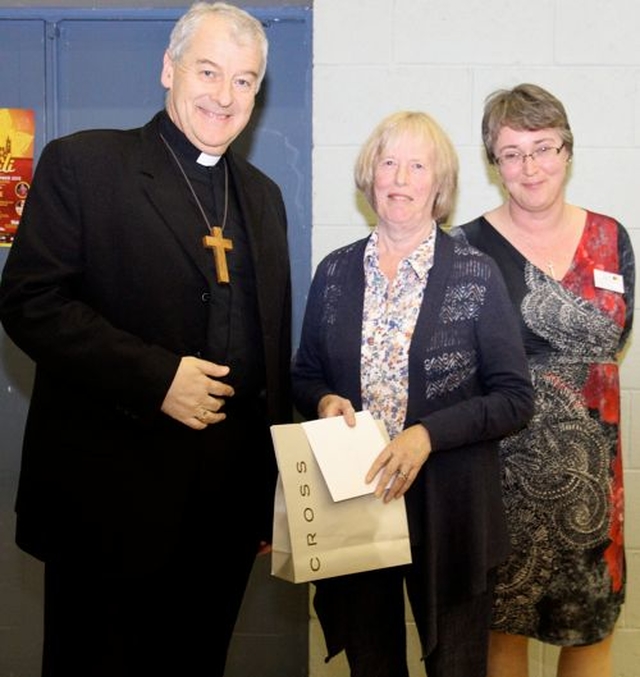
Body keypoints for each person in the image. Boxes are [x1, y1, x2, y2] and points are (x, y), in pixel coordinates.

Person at [0, 3, 293, 676]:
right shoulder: (85, 165)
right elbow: (28, 302)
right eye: (209, 71)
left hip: (223, 510)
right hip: (108, 501)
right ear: (169, 68)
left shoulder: (263, 196)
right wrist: (156, 377)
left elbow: (270, 347)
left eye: (245, 80)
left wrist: (276, 487)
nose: (225, 95)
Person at [291, 110, 535, 677]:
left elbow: (514, 397)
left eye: (417, 165)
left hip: (451, 506)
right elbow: (304, 373)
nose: (400, 178)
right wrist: (325, 401)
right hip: (356, 503)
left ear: (439, 185)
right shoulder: (334, 272)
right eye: (389, 162)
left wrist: (427, 434)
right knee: (372, 664)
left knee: (456, 665)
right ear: (370, 175)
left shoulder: (476, 275)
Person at [452, 83, 635, 677]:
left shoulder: (613, 238)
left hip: (594, 485)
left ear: (567, 151)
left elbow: (613, 342)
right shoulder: (464, 252)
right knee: (503, 631)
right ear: (494, 164)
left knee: (589, 633)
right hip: (501, 479)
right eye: (511, 152)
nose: (530, 166)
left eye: (543, 147)